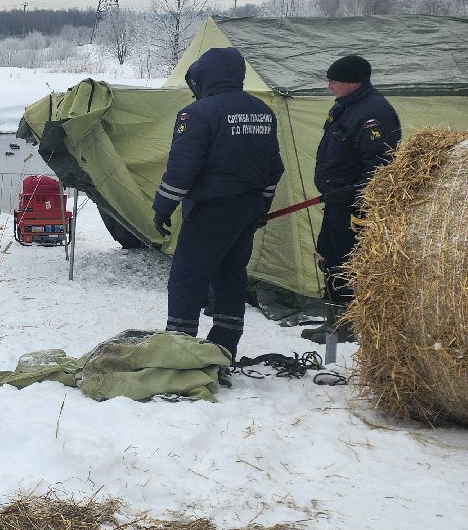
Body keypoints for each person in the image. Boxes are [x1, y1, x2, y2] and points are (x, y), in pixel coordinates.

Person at [151, 47, 284, 360]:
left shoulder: (197, 114)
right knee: (231, 275)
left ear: (204, 77)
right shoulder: (262, 112)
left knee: (188, 276)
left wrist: (163, 206)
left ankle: (179, 349)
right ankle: (224, 347)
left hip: (210, 210)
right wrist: (261, 206)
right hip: (247, 209)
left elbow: (183, 168)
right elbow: (273, 168)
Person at [303, 54, 401, 344]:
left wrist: (352, 193)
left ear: (355, 82)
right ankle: (335, 322)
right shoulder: (344, 107)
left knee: (348, 263)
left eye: (335, 80)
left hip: (354, 206)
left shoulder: (374, 113)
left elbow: (382, 165)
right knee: (329, 258)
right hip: (335, 201)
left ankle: (352, 324)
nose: (329, 85)